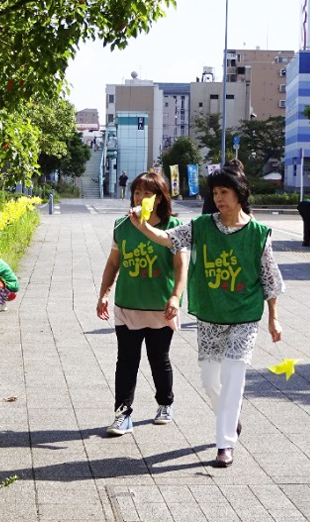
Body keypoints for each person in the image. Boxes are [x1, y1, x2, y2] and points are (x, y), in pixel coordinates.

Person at [128, 165, 284, 467]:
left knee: (233, 374)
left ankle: (225, 443)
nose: (219, 198)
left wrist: (273, 317)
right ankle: (231, 418)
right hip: (211, 314)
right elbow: (168, 238)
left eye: (224, 192)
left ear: (239, 194)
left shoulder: (258, 234)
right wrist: (144, 227)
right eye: (215, 193)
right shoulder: (201, 226)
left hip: (245, 314)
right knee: (210, 379)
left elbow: (270, 278)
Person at [97, 171, 188, 436]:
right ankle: (122, 414)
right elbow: (113, 263)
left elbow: (181, 267)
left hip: (160, 309)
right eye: (137, 193)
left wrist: (175, 297)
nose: (139, 198)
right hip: (127, 307)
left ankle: (164, 403)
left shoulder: (172, 228)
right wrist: (104, 293)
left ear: (158, 199)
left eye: (146, 194)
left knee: (159, 360)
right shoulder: (122, 225)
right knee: (126, 361)